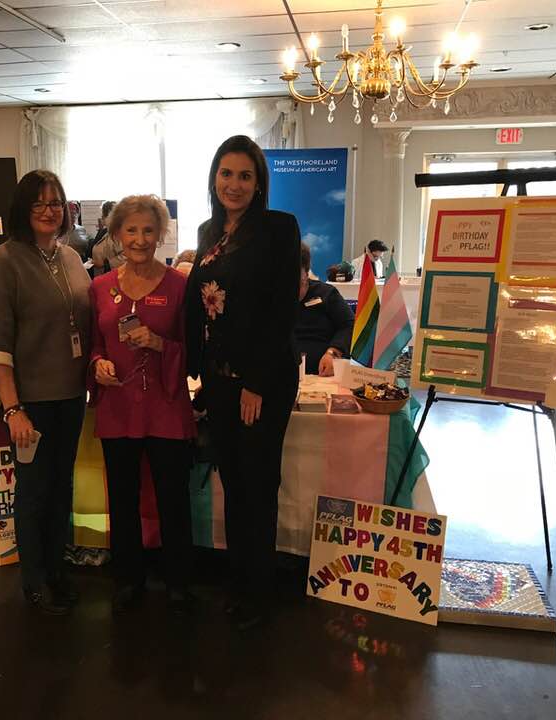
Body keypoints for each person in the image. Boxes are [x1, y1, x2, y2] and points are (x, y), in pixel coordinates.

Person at [185, 135, 301, 630]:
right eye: (226, 174)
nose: (234, 184)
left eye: (245, 176)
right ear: (215, 178)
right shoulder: (208, 230)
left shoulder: (278, 229)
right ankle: (239, 580)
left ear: (259, 184)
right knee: (233, 483)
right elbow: (200, 307)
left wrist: (256, 380)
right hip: (217, 381)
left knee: (258, 485)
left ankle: (259, 590)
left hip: (262, 381)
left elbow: (279, 312)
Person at [0, 170, 91, 615]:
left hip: (70, 396)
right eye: (39, 204)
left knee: (61, 487)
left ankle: (57, 568)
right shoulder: (3, 263)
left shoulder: (69, 257)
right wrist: (13, 410)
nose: (49, 211)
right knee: (33, 491)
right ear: (23, 210)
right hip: (30, 403)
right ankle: (34, 579)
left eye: (56, 203)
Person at [89, 195, 196, 615]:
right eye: (131, 230)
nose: (139, 239)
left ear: (161, 235)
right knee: (122, 497)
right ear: (116, 235)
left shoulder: (180, 286)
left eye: (148, 230)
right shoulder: (99, 287)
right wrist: (97, 365)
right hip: (118, 409)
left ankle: (179, 581)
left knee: (174, 499)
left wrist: (160, 344)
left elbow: (194, 350)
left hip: (167, 408)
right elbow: (94, 344)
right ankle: (127, 578)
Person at [296, 244, 355, 376]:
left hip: (323, 373)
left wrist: (333, 353)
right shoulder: (272, 298)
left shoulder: (327, 293)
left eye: (298, 283)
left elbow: (349, 324)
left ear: (306, 272)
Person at [88, 200, 117, 277]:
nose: (101, 218)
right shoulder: (106, 232)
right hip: (101, 277)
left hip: (112, 281)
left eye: (103, 216)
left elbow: (125, 259)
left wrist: (105, 264)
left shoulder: (119, 235)